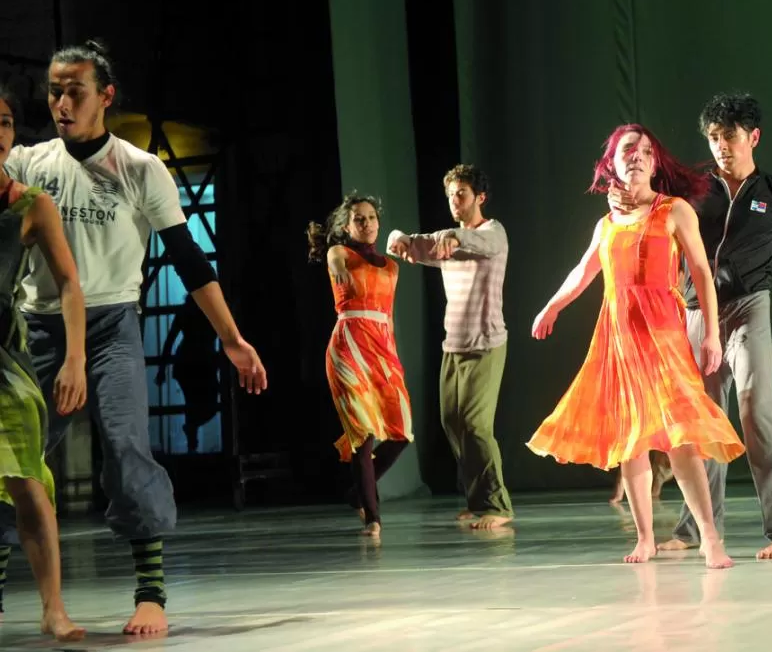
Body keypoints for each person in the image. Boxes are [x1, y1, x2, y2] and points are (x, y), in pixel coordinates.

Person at [0, 40, 268, 635]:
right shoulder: (30, 163)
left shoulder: (139, 168)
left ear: (106, 97)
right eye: (54, 90)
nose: (62, 101)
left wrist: (231, 337)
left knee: (125, 447)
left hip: (113, 323)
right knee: (13, 464)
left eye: (76, 90)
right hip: (39, 326)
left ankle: (150, 592)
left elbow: (189, 260)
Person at [609, 92, 772, 560]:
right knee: (697, 423)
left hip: (750, 309)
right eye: (714, 138)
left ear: (752, 137)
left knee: (758, 409)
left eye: (729, 137)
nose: (721, 146)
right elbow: (642, 185)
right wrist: (619, 191)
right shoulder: (694, 187)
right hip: (695, 313)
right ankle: (695, 529)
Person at [528, 124, 745, 568]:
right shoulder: (606, 223)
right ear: (612, 162)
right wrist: (552, 306)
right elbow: (584, 271)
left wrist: (712, 335)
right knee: (632, 439)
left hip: (664, 336)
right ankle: (645, 537)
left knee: (681, 440)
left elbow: (702, 272)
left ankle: (709, 538)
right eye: (629, 149)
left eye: (647, 150)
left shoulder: (674, 210)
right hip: (619, 340)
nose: (638, 156)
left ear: (655, 162)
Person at [0, 85, 86, 641]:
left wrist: (74, 358)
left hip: (4, 363)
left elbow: (70, 283)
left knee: (27, 483)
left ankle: (53, 607)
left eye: (5, 122)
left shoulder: (30, 205)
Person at [387, 164, 513, 530]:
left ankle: (498, 506)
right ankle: (476, 501)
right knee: (452, 424)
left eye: (461, 194)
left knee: (475, 425)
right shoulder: (445, 239)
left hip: (486, 344)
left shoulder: (494, 233)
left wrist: (456, 238)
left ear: (480, 197)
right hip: (453, 346)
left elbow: (480, 243)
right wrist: (397, 237)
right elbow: (408, 242)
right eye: (450, 196)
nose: (454, 201)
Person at [308, 192, 413, 537]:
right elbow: (335, 260)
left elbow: (390, 317)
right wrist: (338, 265)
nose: (366, 223)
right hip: (349, 345)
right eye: (358, 218)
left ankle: (356, 492)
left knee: (402, 433)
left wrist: (394, 358)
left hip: (382, 349)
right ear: (347, 225)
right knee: (363, 434)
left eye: (370, 217)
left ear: (378, 223)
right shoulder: (340, 253)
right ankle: (373, 516)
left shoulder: (393, 267)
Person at [154, 294, 220, 453]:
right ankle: (192, 437)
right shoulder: (210, 310)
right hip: (201, 362)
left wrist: (162, 368)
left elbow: (170, 340)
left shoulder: (186, 311)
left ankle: (192, 435)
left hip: (188, 362)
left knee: (194, 402)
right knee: (204, 402)